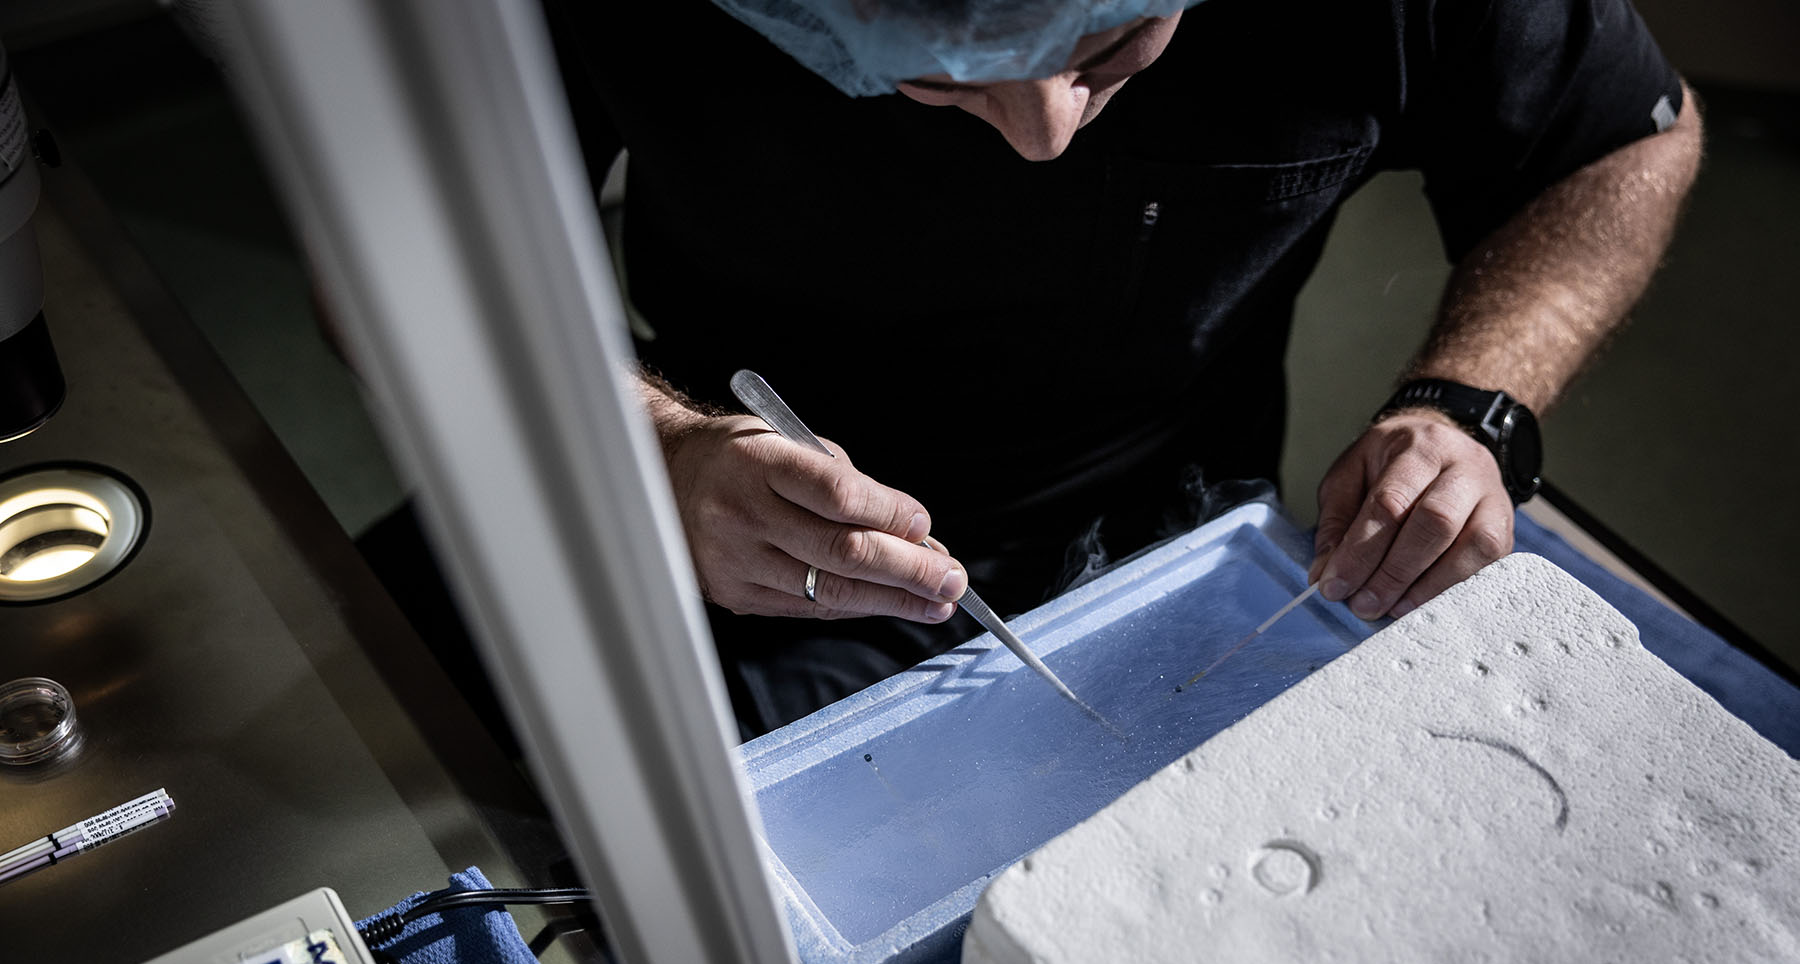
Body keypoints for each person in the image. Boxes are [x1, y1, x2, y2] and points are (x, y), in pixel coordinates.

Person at [544, 0, 1702, 738]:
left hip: (1170, 532)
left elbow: (1620, 144)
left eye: (1110, 44)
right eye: (941, 76)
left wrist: (1473, 404)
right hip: (694, 521)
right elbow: (383, 257)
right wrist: (646, 447)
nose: (1045, 133)